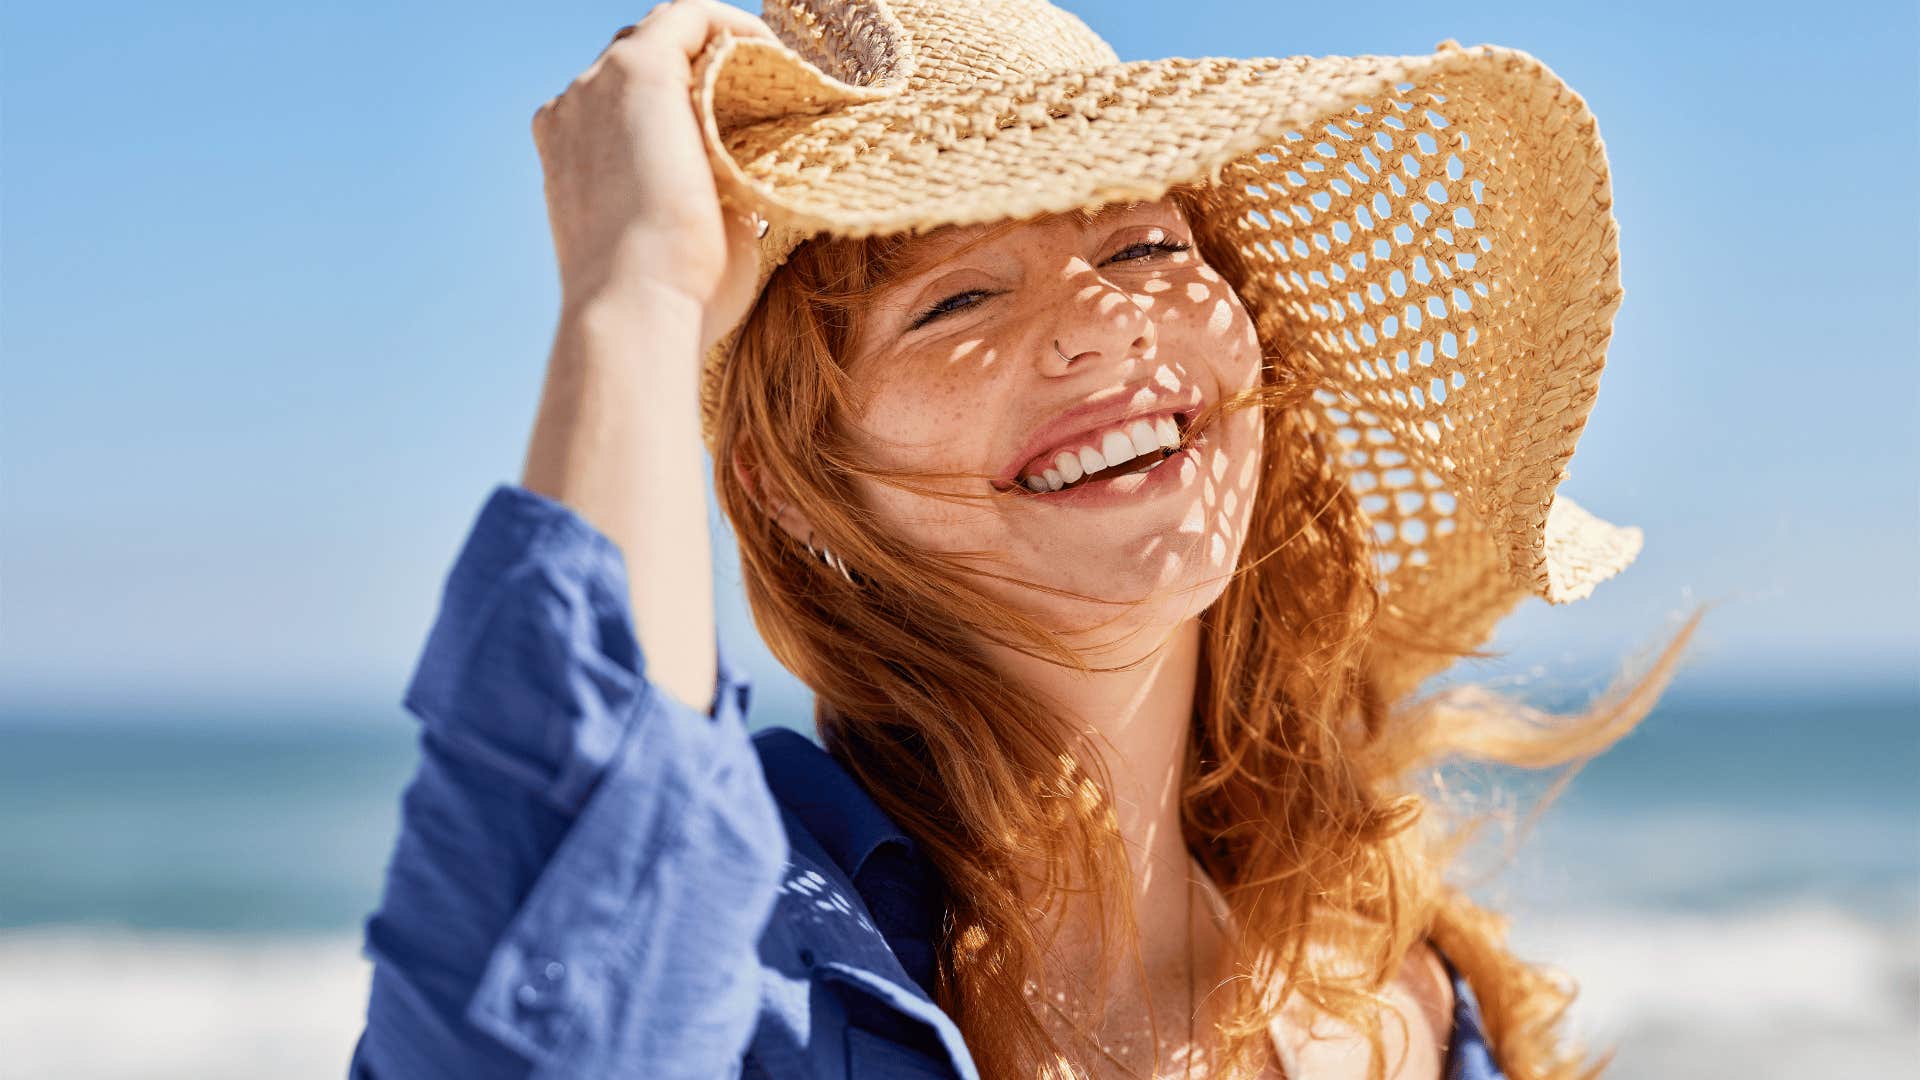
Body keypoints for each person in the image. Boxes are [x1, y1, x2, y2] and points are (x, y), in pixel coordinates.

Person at [350, 1, 1703, 1077]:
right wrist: (633, 297)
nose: (1101, 320)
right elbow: (552, 1034)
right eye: (959, 299)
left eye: (1144, 246)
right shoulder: (766, 966)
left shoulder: (1406, 994)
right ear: (785, 488)